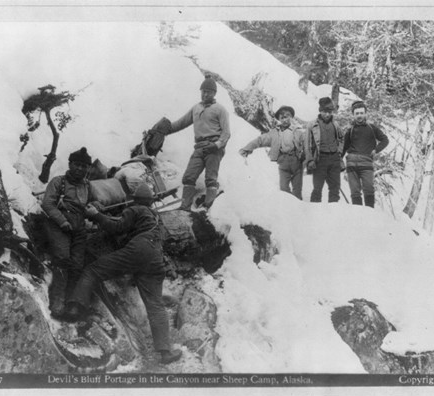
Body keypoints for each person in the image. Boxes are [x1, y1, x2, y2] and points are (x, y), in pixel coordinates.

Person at [62, 183, 182, 364]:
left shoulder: (135, 210)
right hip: (155, 259)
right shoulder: (156, 217)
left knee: (92, 270)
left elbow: (116, 227)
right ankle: (165, 353)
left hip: (138, 249)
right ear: (150, 201)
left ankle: (74, 307)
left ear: (134, 200)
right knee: (155, 306)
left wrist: (96, 215)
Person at [41, 147, 93, 318]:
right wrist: (62, 221)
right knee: (63, 259)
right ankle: (57, 300)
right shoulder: (58, 182)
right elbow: (47, 204)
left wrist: (95, 209)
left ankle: (72, 303)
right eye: (77, 165)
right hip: (58, 224)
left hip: (79, 226)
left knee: (78, 264)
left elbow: (95, 203)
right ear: (70, 164)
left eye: (84, 166)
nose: (80, 169)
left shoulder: (87, 186)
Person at [168, 74, 231, 210]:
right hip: (199, 147)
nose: (205, 94)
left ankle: (208, 208)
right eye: (203, 91)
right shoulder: (196, 108)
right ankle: (185, 207)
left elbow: (226, 133)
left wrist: (216, 145)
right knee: (188, 177)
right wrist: (165, 129)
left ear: (214, 93)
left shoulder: (220, 109)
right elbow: (180, 123)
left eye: (208, 92)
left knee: (210, 179)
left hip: (213, 147)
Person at [239, 106, 305, 199]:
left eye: (287, 116)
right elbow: (260, 140)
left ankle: (298, 210)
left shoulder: (298, 132)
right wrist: (247, 148)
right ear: (279, 119)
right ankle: (289, 208)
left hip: (296, 162)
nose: (285, 119)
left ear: (291, 117)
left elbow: (308, 144)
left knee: (297, 190)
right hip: (283, 162)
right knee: (284, 189)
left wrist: (306, 158)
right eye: (282, 117)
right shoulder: (274, 133)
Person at [342, 100, 389, 207]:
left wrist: (376, 150)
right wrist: (337, 160)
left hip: (366, 164)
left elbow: (385, 140)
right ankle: (358, 217)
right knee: (355, 192)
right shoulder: (350, 131)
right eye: (357, 113)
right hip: (351, 164)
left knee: (368, 189)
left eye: (361, 113)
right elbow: (343, 148)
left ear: (365, 114)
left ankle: (370, 216)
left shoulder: (372, 128)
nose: (359, 116)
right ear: (353, 115)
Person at [305, 97, 345, 203]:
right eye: (325, 111)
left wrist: (339, 152)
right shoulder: (312, 125)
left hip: (334, 159)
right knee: (317, 189)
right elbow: (307, 144)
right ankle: (315, 215)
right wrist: (310, 160)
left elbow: (342, 138)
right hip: (320, 160)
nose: (327, 114)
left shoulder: (335, 125)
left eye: (330, 112)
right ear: (320, 110)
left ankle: (333, 214)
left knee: (335, 189)